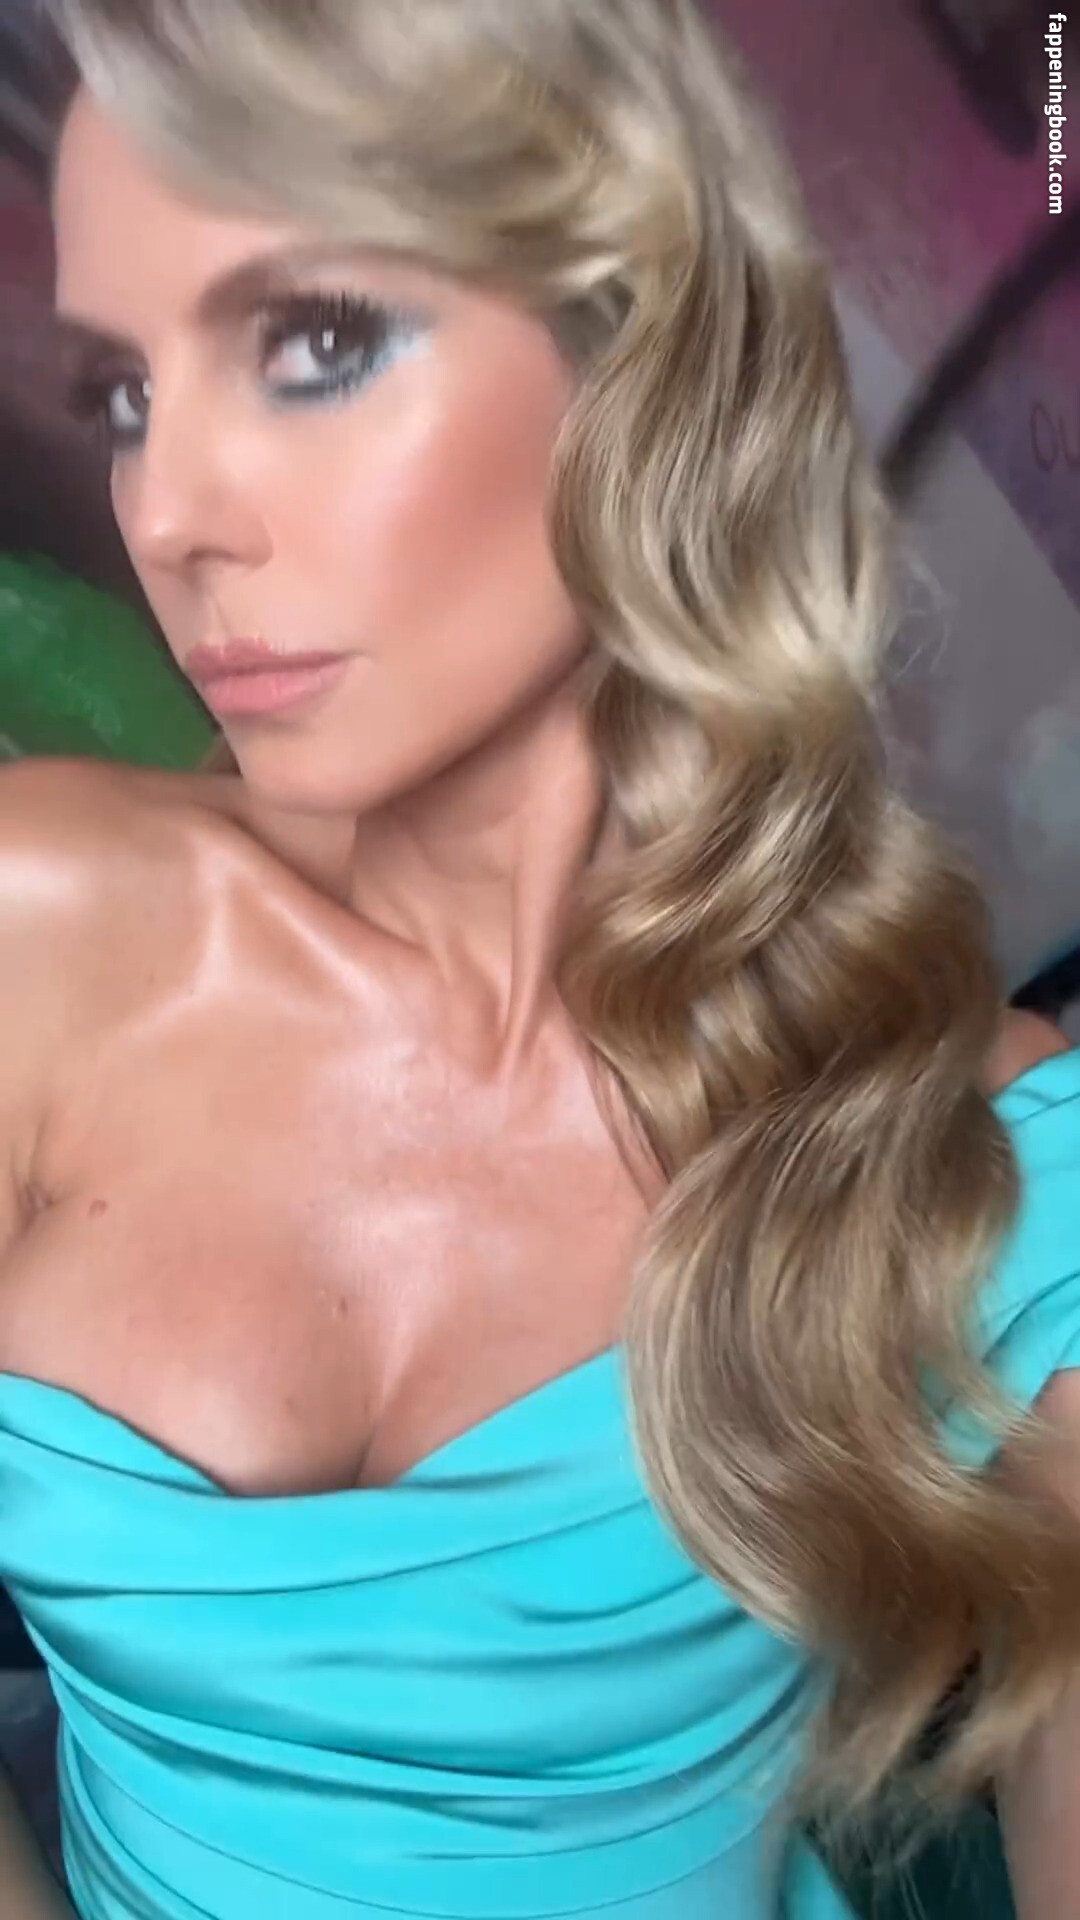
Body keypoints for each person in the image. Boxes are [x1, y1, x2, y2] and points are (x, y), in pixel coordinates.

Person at [0, 2, 1078, 1916]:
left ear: (636, 343)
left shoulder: (984, 1156)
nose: (165, 517)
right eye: (128, 396)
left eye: (314, 344)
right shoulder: (35, 932)